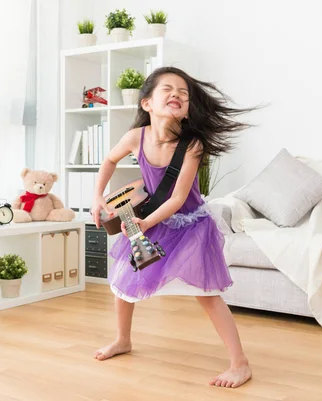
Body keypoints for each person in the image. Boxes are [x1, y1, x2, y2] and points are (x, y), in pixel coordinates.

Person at [91, 66, 254, 388]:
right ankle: (123, 340)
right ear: (147, 103)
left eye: (183, 92)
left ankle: (240, 363)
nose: (177, 94)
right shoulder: (134, 138)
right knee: (124, 283)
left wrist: (146, 222)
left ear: (188, 108)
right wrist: (97, 197)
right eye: (167, 89)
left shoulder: (192, 145)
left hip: (187, 225)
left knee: (207, 295)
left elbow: (178, 198)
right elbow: (109, 161)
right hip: (149, 219)